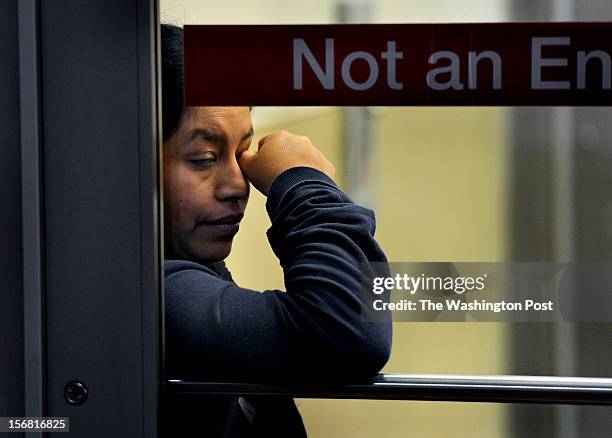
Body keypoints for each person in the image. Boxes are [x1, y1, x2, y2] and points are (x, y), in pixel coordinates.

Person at [160, 23, 392, 437]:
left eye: (241, 152)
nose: (237, 185)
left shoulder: (193, 265)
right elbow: (348, 330)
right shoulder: (153, 295)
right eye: (203, 158)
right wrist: (305, 185)